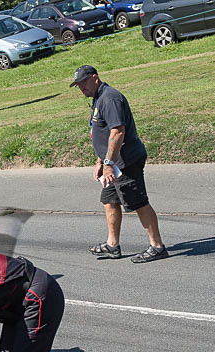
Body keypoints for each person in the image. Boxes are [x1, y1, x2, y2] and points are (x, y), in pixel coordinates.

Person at [71, 65, 168, 263]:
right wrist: (100, 159)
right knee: (109, 200)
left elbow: (117, 132)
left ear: (95, 78)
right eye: (78, 85)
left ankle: (157, 246)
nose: (81, 88)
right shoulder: (99, 98)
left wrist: (108, 163)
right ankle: (112, 245)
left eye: (83, 83)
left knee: (138, 202)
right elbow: (104, 133)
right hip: (112, 164)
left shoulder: (110, 98)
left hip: (125, 162)